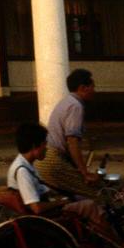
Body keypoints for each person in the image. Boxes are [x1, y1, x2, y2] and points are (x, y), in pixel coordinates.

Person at [6, 122, 105, 230]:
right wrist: (61, 202)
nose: (47, 148)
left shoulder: (25, 164)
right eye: (44, 144)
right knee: (90, 206)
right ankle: (112, 242)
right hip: (44, 217)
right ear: (35, 146)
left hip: (47, 208)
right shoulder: (22, 171)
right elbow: (36, 208)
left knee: (80, 198)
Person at [34, 68, 101, 198]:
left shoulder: (66, 101)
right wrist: (84, 172)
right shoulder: (76, 106)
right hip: (53, 162)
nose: (94, 91)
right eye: (93, 87)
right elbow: (72, 141)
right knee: (94, 193)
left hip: (46, 160)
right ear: (83, 88)